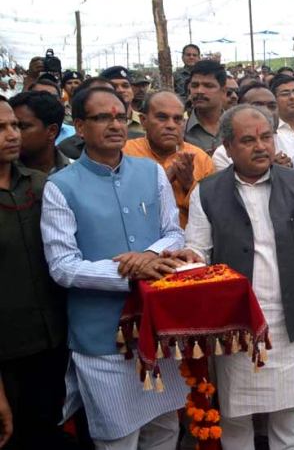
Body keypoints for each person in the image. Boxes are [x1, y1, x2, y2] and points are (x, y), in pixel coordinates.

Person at [180, 104, 294, 450]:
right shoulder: (207, 191)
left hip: (289, 320)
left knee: (289, 410)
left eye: (266, 137)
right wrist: (188, 259)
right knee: (236, 415)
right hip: (236, 324)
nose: (261, 147)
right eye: (248, 140)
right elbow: (198, 250)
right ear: (227, 146)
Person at [41, 86, 189, 449]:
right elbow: (62, 266)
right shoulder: (60, 186)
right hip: (101, 338)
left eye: (121, 117)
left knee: (165, 431)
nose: (115, 125)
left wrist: (150, 255)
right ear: (79, 126)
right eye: (102, 118)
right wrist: (127, 273)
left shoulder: (151, 173)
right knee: (118, 437)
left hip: (157, 327)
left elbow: (173, 233)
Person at [0, 98, 67, 449]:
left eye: (15, 125)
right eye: (1, 128)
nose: (12, 135)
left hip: (53, 345)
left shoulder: (41, 186)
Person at [123, 91, 214, 228]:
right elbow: (120, 207)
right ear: (143, 121)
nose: (171, 125)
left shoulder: (200, 158)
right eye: (162, 118)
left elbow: (213, 212)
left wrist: (189, 185)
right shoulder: (125, 153)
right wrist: (163, 181)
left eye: (177, 119)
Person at [212, 83, 294, 171]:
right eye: (258, 106)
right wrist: (270, 170)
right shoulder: (223, 154)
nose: (267, 112)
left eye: (272, 106)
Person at [9, 91, 72, 174]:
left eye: (22, 127)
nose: (12, 135)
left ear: (52, 131)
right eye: (12, 126)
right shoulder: (4, 173)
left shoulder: (77, 172)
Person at [185, 60, 226, 154]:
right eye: (195, 86)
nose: (199, 91)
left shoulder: (237, 126)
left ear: (223, 91)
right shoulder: (180, 130)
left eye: (208, 86)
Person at [99, 66, 143, 136]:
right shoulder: (97, 122)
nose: (121, 90)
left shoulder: (146, 121)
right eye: (114, 86)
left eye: (125, 86)